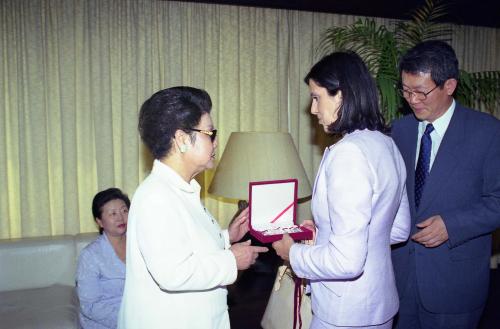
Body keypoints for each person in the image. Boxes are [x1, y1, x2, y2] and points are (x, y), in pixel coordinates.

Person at [272, 51, 411, 329]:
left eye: (316, 97)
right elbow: (398, 229)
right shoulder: (386, 144)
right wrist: (326, 232)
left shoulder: (348, 153)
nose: (312, 109)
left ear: (341, 96)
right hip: (378, 305)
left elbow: (347, 261)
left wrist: (292, 252)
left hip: (345, 312)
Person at [118, 86, 268, 329]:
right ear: (182, 140)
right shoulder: (155, 196)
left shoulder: (180, 189)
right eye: (210, 132)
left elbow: (184, 245)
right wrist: (231, 261)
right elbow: (173, 273)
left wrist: (227, 236)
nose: (216, 141)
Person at [391, 40, 500, 329]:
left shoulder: (487, 132)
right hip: (400, 281)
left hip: (454, 286)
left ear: (449, 85)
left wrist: (452, 225)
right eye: (405, 90)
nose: (412, 99)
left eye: (421, 91)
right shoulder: (398, 130)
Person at [76, 187, 130, 329]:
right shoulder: (90, 256)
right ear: (99, 221)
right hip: (105, 322)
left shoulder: (140, 245)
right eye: (112, 213)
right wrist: (129, 321)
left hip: (140, 314)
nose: (120, 217)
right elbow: (90, 306)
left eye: (124, 211)